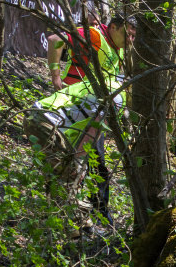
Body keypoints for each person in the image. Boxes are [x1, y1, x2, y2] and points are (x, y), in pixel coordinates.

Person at [40, 14, 135, 223]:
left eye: (134, 37)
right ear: (114, 27)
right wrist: (55, 75)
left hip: (90, 113)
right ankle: (92, 214)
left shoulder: (115, 47)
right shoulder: (94, 35)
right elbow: (55, 40)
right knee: (87, 162)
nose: (131, 40)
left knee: (86, 162)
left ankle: (81, 213)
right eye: (128, 34)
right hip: (73, 109)